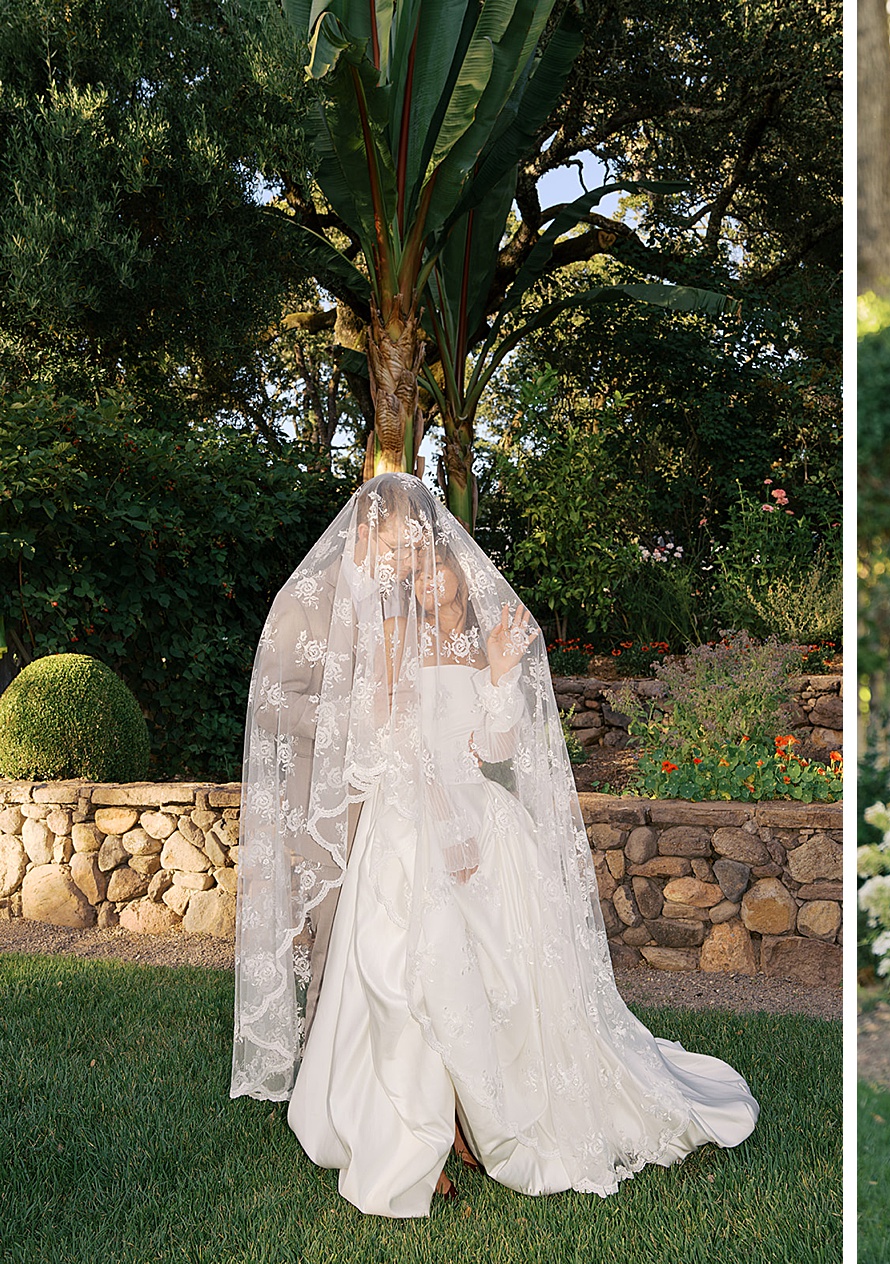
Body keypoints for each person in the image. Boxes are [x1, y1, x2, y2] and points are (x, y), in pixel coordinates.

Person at [231, 473, 758, 1217]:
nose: (420, 575)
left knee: (496, 972)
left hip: (479, 816)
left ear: (455, 565)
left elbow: (494, 747)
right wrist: (443, 816)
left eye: (429, 561)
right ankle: (417, 1128)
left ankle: (477, 1118)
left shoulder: (476, 643)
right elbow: (390, 738)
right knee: (397, 972)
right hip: (408, 819)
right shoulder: (387, 631)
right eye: (409, 561)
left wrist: (502, 677)